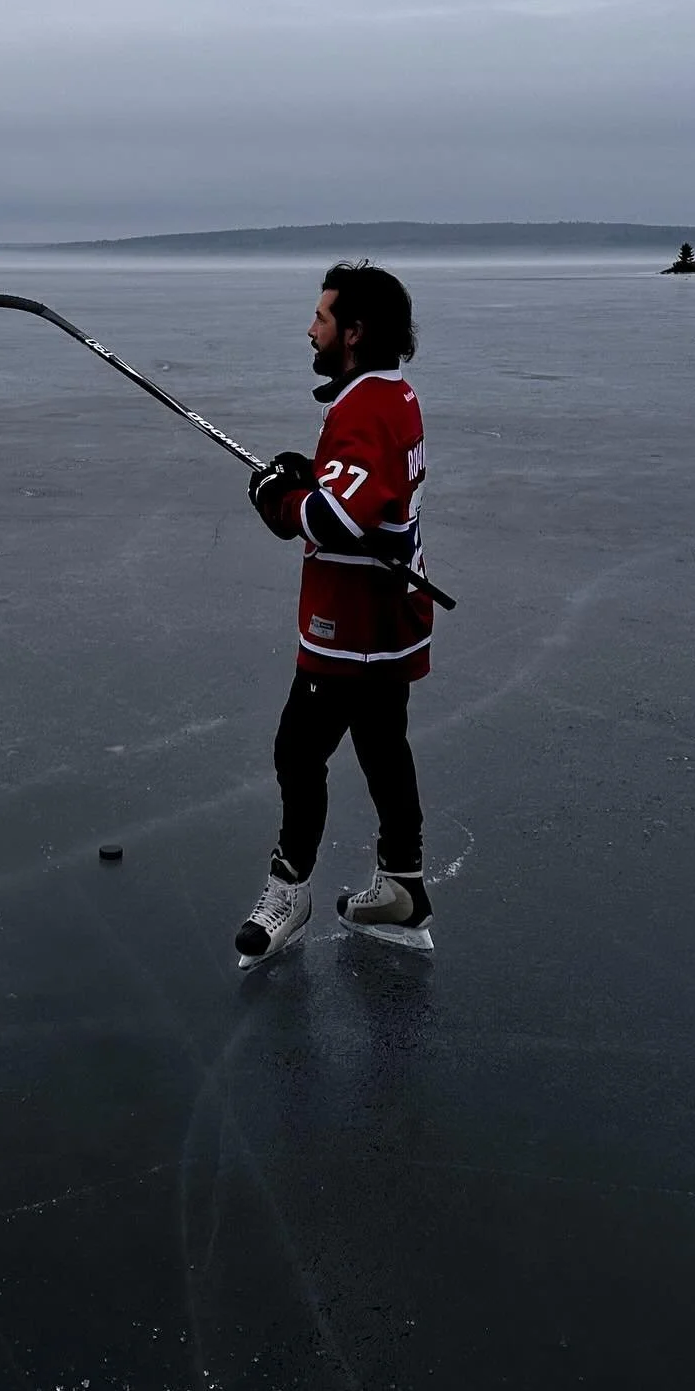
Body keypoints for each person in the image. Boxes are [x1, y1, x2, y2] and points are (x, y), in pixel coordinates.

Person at [235, 261, 435, 968]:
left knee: (298, 751)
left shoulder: (365, 408)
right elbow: (364, 494)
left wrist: (278, 500)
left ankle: (289, 893)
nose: (310, 330)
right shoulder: (394, 395)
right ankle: (403, 885)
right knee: (383, 746)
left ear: (353, 332)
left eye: (321, 318)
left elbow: (335, 518)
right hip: (388, 623)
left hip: (350, 631)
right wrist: (309, 476)